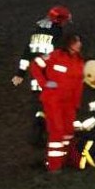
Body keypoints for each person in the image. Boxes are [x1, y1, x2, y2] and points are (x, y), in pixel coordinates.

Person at [12, 5, 72, 147]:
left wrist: (20, 74)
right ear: (60, 20)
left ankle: (37, 132)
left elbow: (26, 54)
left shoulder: (36, 33)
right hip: (52, 79)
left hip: (37, 79)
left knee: (38, 105)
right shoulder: (57, 34)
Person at [29, 32, 84, 172]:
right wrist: (45, 83)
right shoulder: (55, 56)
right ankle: (54, 166)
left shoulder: (79, 61)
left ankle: (65, 160)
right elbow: (35, 65)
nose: (80, 44)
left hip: (69, 103)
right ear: (70, 43)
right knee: (57, 131)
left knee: (68, 132)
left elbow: (78, 85)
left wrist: (76, 104)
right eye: (77, 41)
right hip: (53, 101)